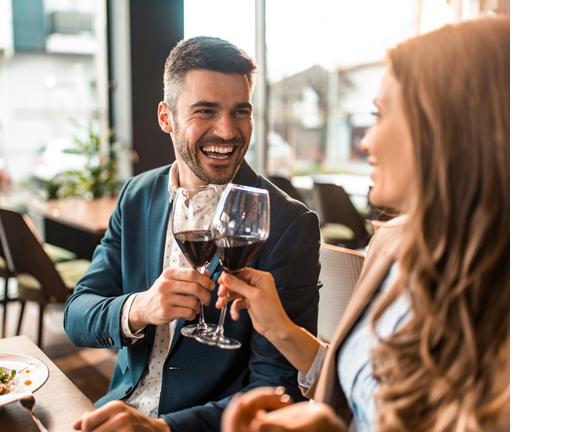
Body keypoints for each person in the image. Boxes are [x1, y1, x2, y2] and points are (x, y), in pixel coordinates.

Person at [217, 15, 510, 432]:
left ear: (452, 128)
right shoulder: (391, 246)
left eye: (382, 115)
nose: (366, 141)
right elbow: (358, 389)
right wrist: (279, 329)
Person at [64, 36, 322, 432]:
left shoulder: (289, 225)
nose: (227, 131)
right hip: (115, 408)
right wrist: (140, 308)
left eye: (240, 112)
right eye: (206, 111)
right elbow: (78, 315)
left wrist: (162, 429)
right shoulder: (137, 195)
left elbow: (276, 390)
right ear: (166, 117)